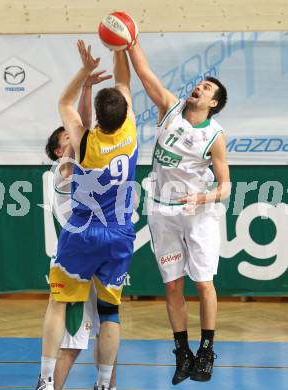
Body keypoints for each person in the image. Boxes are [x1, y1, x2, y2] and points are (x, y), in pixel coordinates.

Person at [36, 40, 137, 390]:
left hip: (83, 236)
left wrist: (84, 73)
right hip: (120, 233)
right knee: (110, 315)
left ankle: (46, 380)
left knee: (58, 304)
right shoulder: (129, 131)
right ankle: (103, 383)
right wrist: (123, 47)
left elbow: (68, 107)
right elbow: (123, 86)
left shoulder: (82, 147)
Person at [127, 42, 230, 384]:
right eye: (200, 83)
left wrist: (204, 198)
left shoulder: (215, 136)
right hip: (161, 210)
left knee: (203, 284)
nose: (199, 87)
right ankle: (182, 351)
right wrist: (132, 42)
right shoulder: (170, 108)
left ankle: (206, 350)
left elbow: (225, 186)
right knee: (172, 286)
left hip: (198, 213)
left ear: (213, 103)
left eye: (207, 88)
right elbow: (144, 73)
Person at [44, 71, 117, 390]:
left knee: (109, 326)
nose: (73, 138)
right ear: (60, 151)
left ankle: (108, 386)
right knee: (73, 342)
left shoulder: (90, 160)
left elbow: (84, 129)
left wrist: (87, 88)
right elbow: (81, 128)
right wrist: (85, 85)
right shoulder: (62, 170)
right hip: (76, 259)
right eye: (66, 139)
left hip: (101, 250)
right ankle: (50, 384)